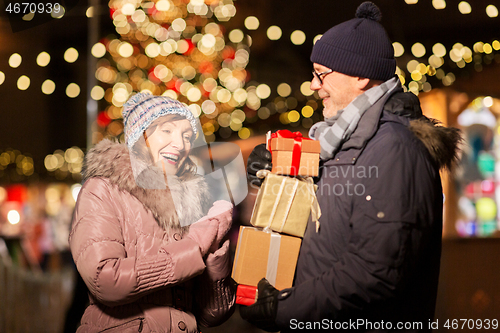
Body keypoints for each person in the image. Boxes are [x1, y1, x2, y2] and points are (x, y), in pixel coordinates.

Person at [242, 2, 462, 332]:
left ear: (360, 76)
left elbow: (374, 273)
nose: (313, 85)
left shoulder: (394, 149)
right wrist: (269, 173)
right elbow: (321, 222)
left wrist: (283, 308)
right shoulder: (343, 142)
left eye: (321, 73)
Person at [69, 92, 235, 333]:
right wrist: (195, 247)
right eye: (167, 131)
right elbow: (105, 281)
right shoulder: (103, 190)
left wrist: (214, 257)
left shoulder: (191, 201)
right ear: (140, 135)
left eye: (187, 135)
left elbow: (213, 315)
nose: (180, 144)